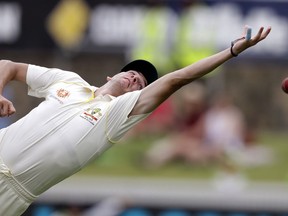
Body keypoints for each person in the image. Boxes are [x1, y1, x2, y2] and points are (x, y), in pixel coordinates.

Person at [0, 25, 271, 215]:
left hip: (13, 195)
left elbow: (177, 79)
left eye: (140, 84)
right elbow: (7, 66)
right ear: (111, 76)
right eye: (132, 73)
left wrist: (231, 51)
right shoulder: (68, 81)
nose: (134, 79)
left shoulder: (117, 114)